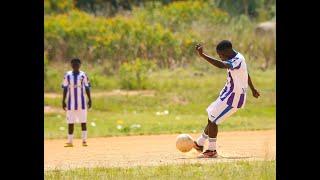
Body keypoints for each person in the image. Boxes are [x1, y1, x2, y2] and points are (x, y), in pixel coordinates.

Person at [194, 40, 260, 158]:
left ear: (227, 51)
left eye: (221, 54)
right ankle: (200, 143)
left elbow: (221, 65)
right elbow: (246, 74)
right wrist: (253, 89)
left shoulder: (238, 60)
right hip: (227, 94)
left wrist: (202, 55)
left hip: (234, 98)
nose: (220, 57)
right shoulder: (236, 58)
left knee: (213, 120)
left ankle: (212, 150)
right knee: (211, 115)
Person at [62, 58, 92, 147]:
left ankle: (84, 141)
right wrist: (63, 101)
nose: (75, 65)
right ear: (71, 65)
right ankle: (70, 141)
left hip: (82, 103)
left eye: (77, 64)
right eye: (73, 64)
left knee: (83, 121)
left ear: (80, 65)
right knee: (70, 122)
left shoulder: (83, 75)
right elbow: (65, 88)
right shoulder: (67, 75)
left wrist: (90, 99)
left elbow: (87, 87)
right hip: (71, 103)